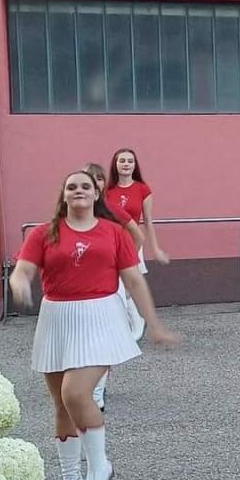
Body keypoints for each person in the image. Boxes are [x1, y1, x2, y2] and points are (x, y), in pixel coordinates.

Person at [9, 170, 179, 480]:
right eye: (72, 186)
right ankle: (70, 477)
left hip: (100, 317)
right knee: (61, 405)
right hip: (57, 319)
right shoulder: (44, 233)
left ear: (96, 193)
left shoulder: (113, 232)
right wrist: (19, 283)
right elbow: (23, 270)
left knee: (75, 393)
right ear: (64, 194)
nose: (79, 191)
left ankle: (99, 468)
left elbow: (134, 281)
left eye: (85, 186)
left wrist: (154, 325)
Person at [83, 162, 144, 411]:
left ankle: (97, 393)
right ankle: (88, 384)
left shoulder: (111, 210)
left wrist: (125, 264)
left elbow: (137, 236)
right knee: (84, 338)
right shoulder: (71, 211)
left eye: (99, 179)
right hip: (81, 286)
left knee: (103, 338)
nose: (94, 183)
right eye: (89, 179)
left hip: (109, 283)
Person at [105, 148, 169, 342]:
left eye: (130, 161)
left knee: (127, 286)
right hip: (110, 243)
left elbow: (148, 222)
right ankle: (130, 323)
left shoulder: (143, 189)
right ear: (115, 164)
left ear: (135, 165)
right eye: (122, 160)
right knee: (114, 286)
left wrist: (155, 248)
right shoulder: (107, 191)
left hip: (133, 242)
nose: (126, 164)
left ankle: (136, 322)